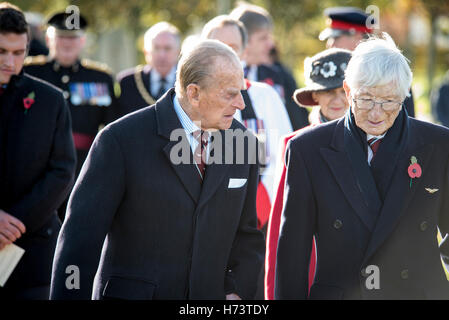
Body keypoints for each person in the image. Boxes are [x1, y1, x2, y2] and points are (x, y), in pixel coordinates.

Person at [50, 39, 265, 300]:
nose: (241, 104)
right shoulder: (120, 140)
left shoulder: (244, 144)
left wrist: (236, 291)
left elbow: (247, 238)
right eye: (230, 94)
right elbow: (79, 243)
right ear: (194, 93)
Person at [275, 33, 449, 299]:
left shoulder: (438, 144)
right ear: (348, 91)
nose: (376, 113)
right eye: (365, 99)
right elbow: (292, 255)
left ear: (404, 96)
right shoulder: (307, 150)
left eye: (389, 101)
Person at [202, 14, 293, 300]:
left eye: (233, 46)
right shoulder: (192, 99)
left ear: (243, 51)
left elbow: (282, 155)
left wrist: (257, 207)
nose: (226, 54)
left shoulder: (265, 96)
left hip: (255, 220)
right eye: (218, 46)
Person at [0, 3, 76, 299]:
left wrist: (13, 224)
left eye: (19, 53)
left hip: (32, 250)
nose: (10, 61)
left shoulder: (50, 100)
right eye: (2, 51)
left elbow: (62, 170)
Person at [265, 48, 352, 300]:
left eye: (342, 91)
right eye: (327, 91)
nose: (337, 99)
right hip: (316, 266)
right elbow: (280, 231)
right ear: (315, 95)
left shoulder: (374, 142)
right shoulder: (296, 145)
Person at [23, 11, 119, 219]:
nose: (67, 43)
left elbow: (113, 126)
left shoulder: (100, 78)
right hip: (35, 170)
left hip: (83, 169)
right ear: (49, 38)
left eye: (73, 38)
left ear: (83, 41)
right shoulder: (30, 72)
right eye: (61, 37)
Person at [319, 6, 415, 118]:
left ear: (357, 37)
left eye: (336, 38)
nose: (330, 44)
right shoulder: (334, 69)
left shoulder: (390, 71)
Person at [230, 3, 309, 131]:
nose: (271, 44)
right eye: (263, 38)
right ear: (243, 39)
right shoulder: (223, 77)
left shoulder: (279, 76)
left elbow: (298, 122)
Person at [116, 22, 181, 118]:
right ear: (146, 52)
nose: (161, 55)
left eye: (167, 48)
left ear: (178, 52)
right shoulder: (128, 81)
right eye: (156, 48)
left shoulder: (189, 81)